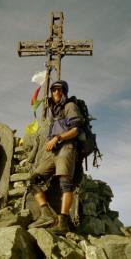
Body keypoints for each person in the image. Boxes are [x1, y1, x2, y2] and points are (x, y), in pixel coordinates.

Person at [28, 80, 83, 235]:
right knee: (33, 180)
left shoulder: (70, 106)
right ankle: (46, 215)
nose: (57, 93)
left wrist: (57, 138)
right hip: (53, 152)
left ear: (64, 92)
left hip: (67, 148)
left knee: (66, 184)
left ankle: (63, 222)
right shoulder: (53, 110)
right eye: (54, 90)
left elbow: (76, 130)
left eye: (60, 90)